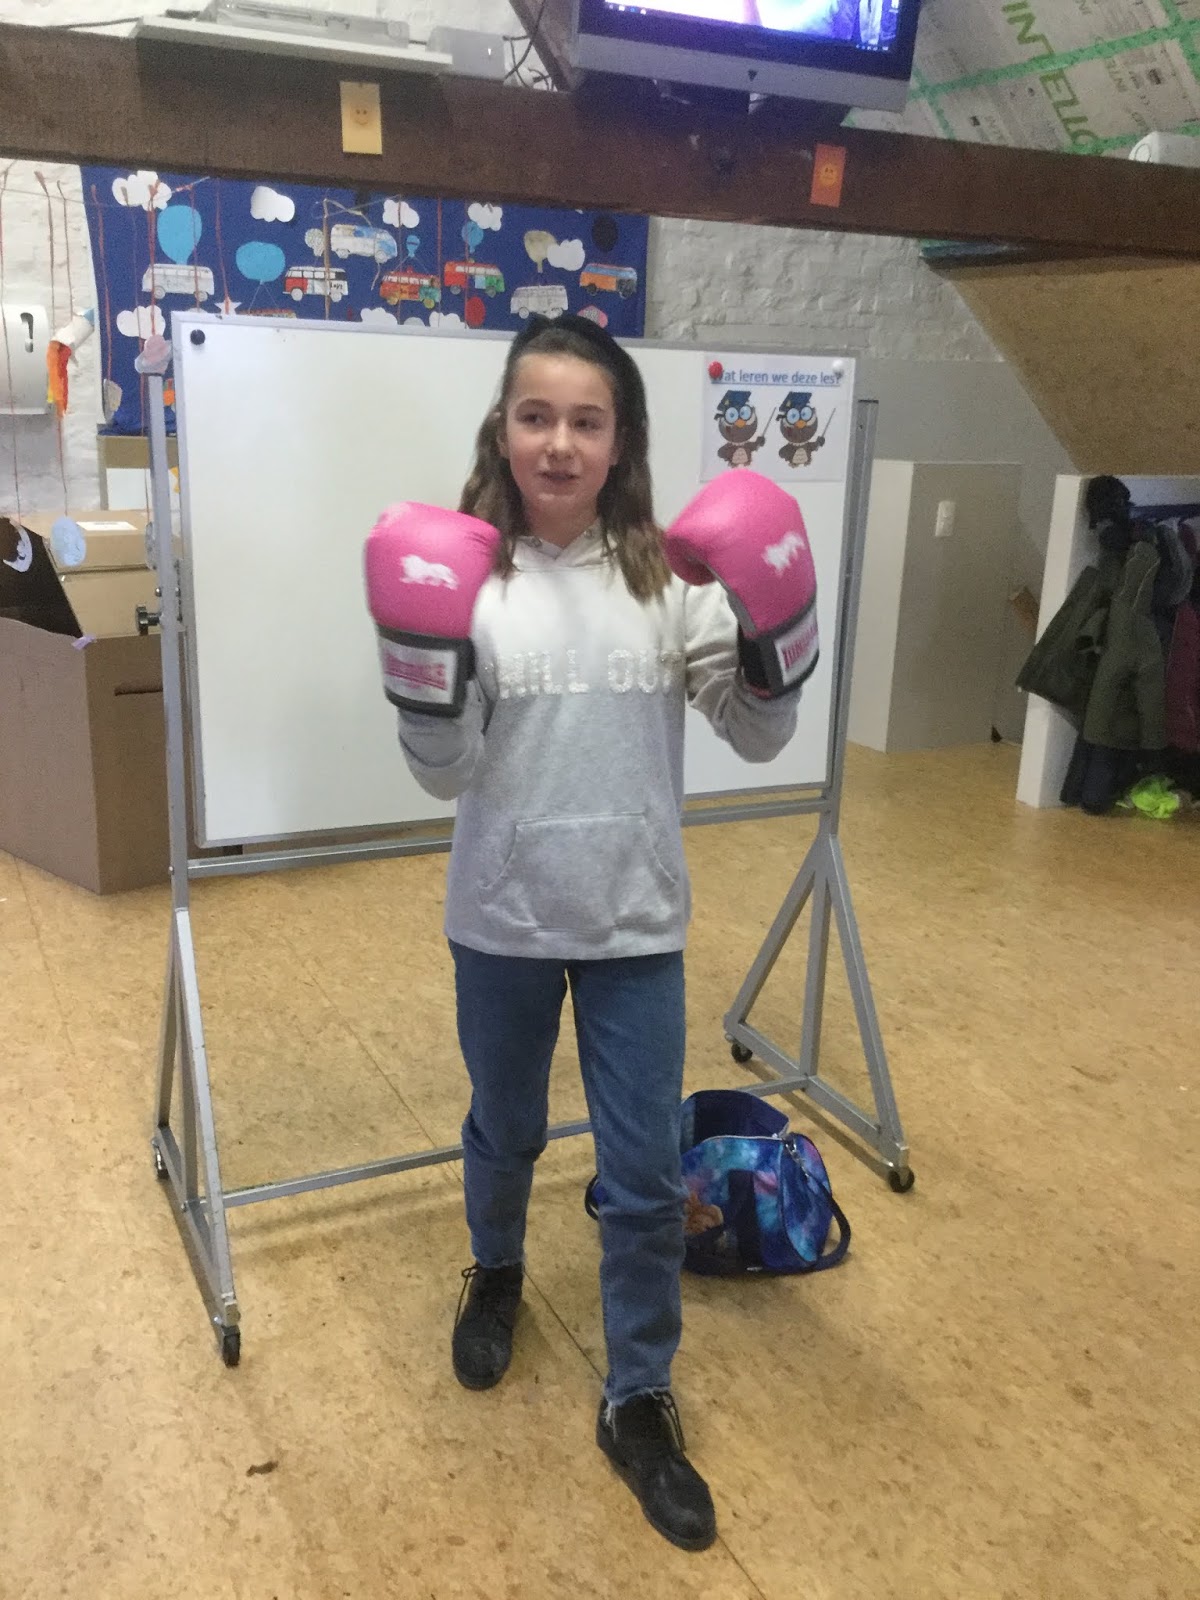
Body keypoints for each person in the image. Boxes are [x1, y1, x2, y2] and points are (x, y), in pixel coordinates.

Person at [364, 314, 818, 1553]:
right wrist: (423, 673)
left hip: (636, 924)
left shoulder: (670, 584)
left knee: (644, 1171)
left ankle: (640, 1393)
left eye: (585, 420)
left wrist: (775, 636)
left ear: (620, 442)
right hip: (501, 918)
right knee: (504, 1124)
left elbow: (759, 735)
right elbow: (444, 773)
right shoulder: (469, 581)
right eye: (536, 416)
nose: (559, 442)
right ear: (503, 432)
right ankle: (498, 1268)